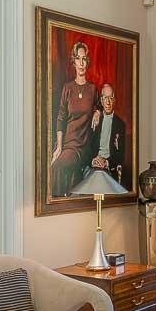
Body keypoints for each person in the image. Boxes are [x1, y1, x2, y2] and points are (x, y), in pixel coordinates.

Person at [51, 41, 101, 196]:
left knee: (59, 166)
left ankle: (58, 203)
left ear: (87, 62)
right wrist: (59, 147)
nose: (82, 63)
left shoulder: (92, 88)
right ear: (73, 62)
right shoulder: (67, 87)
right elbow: (61, 118)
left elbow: (100, 105)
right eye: (78, 59)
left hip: (82, 145)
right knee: (56, 165)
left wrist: (97, 112)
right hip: (66, 143)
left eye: (84, 59)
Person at [89, 83, 127, 185]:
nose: (108, 102)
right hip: (94, 165)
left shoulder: (120, 124)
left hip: (109, 168)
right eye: (105, 98)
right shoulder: (95, 120)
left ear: (114, 100)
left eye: (111, 98)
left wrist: (106, 163)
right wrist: (93, 160)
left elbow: (121, 154)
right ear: (101, 100)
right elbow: (87, 147)